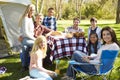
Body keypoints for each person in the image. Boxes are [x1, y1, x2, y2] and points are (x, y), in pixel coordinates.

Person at [19, 4, 35, 71]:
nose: (32, 11)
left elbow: (31, 31)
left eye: (33, 10)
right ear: (28, 10)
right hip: (26, 38)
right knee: (27, 46)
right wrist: (34, 39)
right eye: (31, 10)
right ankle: (26, 65)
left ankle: (27, 65)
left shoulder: (30, 18)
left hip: (29, 38)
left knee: (26, 47)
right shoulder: (25, 18)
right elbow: (25, 32)